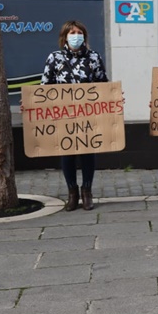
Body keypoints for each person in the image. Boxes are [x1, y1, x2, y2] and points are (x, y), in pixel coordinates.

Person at [40, 20, 108, 211]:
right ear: (65, 36)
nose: (76, 36)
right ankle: (72, 192)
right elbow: (45, 87)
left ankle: (87, 191)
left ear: (84, 36)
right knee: (67, 154)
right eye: (72, 32)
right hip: (63, 115)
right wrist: (32, 104)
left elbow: (102, 83)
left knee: (87, 152)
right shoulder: (54, 58)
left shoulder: (93, 57)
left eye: (79, 32)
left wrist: (114, 99)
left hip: (87, 114)